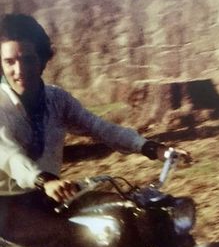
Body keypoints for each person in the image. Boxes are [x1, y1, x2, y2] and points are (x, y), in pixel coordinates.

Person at [0, 13, 191, 203]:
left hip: (49, 198)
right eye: (10, 62)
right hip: (8, 209)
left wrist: (153, 148)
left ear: (42, 59)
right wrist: (44, 180)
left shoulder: (56, 99)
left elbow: (100, 128)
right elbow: (10, 157)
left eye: (28, 59)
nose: (19, 70)